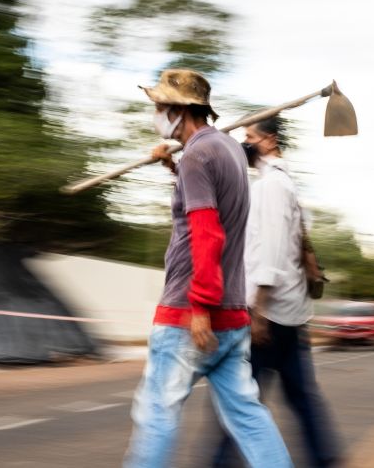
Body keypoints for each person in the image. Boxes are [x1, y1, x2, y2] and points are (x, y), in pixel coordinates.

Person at [124, 69, 292, 468]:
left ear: (181, 110)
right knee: (248, 416)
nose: (157, 113)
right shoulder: (228, 149)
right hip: (232, 316)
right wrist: (171, 167)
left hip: (189, 315)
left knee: (156, 415)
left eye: (161, 106)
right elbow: (203, 199)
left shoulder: (198, 155)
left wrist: (199, 308)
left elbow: (207, 233)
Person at [214, 115, 342, 467]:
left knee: (239, 399)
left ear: (269, 141)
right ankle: (325, 458)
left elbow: (269, 253)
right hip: (290, 312)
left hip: (269, 314)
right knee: (299, 396)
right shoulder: (285, 184)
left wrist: (258, 312)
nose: (244, 143)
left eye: (249, 136)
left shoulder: (271, 187)